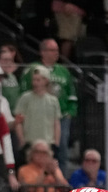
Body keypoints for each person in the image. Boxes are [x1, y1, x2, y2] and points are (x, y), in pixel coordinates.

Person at [20, 39, 78, 172]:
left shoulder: (63, 71)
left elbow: (72, 94)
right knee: (37, 148)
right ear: (43, 52)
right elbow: (24, 91)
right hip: (39, 115)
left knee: (61, 147)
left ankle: (60, 177)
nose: (56, 53)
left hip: (61, 116)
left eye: (57, 50)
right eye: (52, 50)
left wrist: (70, 112)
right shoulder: (32, 69)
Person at [14, 66, 62, 157]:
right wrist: (22, 141)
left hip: (47, 143)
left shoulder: (53, 100)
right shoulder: (25, 98)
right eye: (34, 80)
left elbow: (56, 123)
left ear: (46, 81)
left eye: (38, 80)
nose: (35, 83)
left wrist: (56, 142)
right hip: (30, 142)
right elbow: (18, 122)